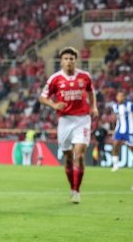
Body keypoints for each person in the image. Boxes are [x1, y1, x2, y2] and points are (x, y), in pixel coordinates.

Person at [39, 47, 98, 204]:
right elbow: (42, 97)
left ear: (75, 60)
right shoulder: (55, 79)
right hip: (65, 121)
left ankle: (77, 191)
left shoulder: (85, 76)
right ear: (61, 61)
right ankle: (72, 187)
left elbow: (91, 92)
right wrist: (54, 105)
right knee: (68, 158)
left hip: (82, 119)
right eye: (66, 58)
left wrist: (93, 107)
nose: (69, 61)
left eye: (71, 59)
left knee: (79, 155)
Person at [108, 90, 133, 171]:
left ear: (124, 97)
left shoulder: (130, 105)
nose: (119, 98)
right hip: (119, 130)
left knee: (131, 148)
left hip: (129, 130)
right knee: (115, 145)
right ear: (116, 97)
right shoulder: (115, 107)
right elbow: (115, 117)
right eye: (118, 96)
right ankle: (115, 165)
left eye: (121, 96)